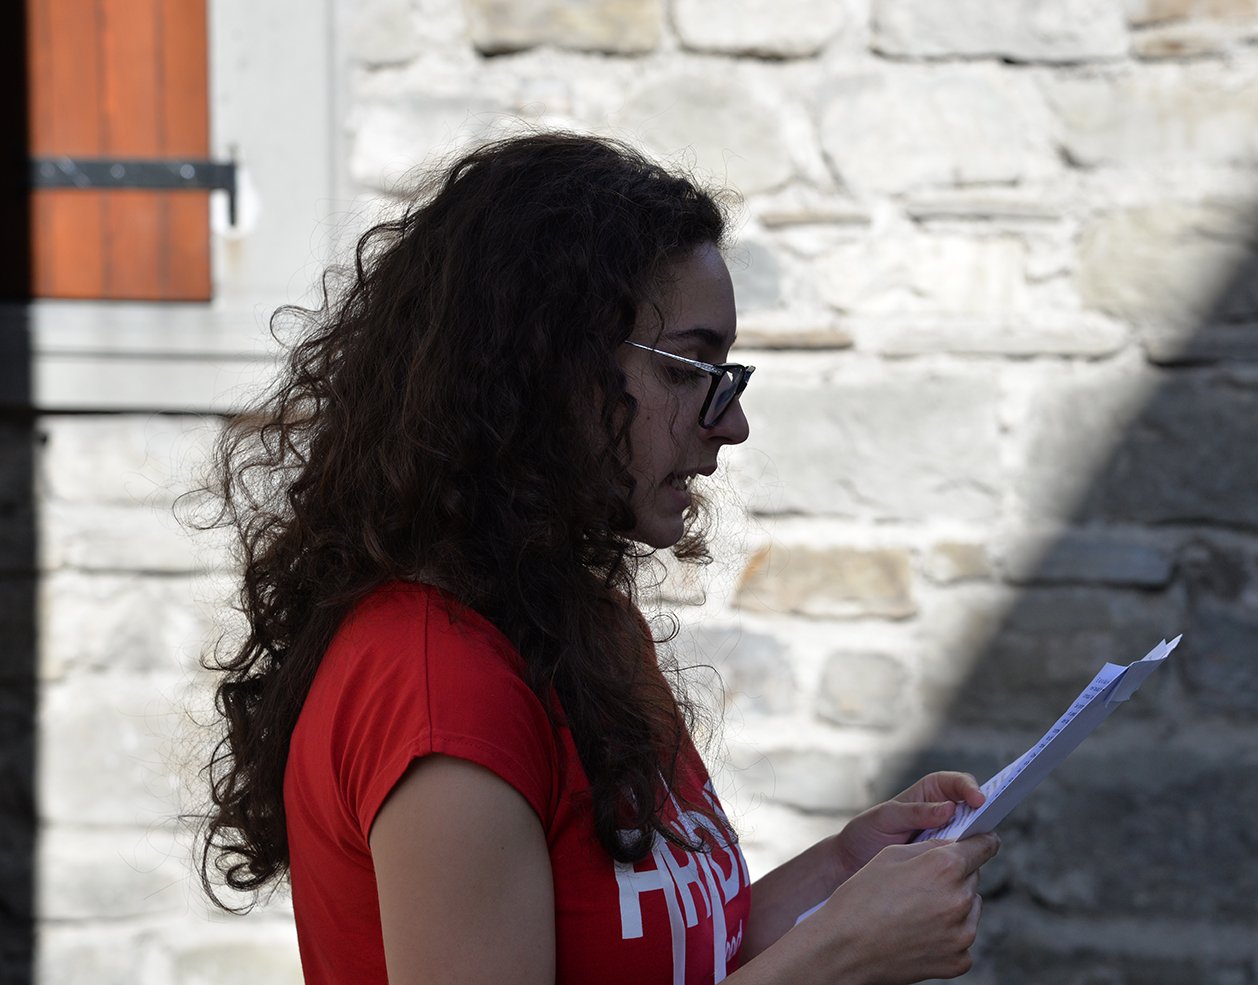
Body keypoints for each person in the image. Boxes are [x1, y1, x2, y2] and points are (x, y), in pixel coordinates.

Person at [197, 131, 1002, 985]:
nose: (731, 424)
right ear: (548, 368)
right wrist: (840, 956)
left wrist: (843, 869)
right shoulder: (438, 685)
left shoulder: (580, 628)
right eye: (690, 370)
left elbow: (667, 953)